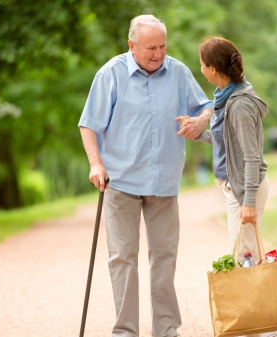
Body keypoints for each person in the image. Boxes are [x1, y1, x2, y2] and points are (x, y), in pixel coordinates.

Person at [78, 15, 212, 337]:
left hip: (164, 182)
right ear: (132, 46)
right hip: (120, 181)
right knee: (123, 259)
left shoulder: (178, 72)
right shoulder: (110, 74)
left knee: (164, 258)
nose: (158, 53)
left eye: (163, 46)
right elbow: (89, 124)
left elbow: (207, 105)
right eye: (151, 47)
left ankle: (166, 329)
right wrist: (96, 164)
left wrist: (202, 121)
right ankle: (126, 331)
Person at [177, 36, 276, 337]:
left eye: (202, 63)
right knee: (247, 254)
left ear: (212, 69)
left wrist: (247, 201)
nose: (200, 67)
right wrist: (198, 134)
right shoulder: (223, 96)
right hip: (235, 189)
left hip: (245, 190)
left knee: (242, 256)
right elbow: (225, 143)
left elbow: (250, 157)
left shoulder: (241, 103)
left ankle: (256, 326)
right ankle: (261, 322)